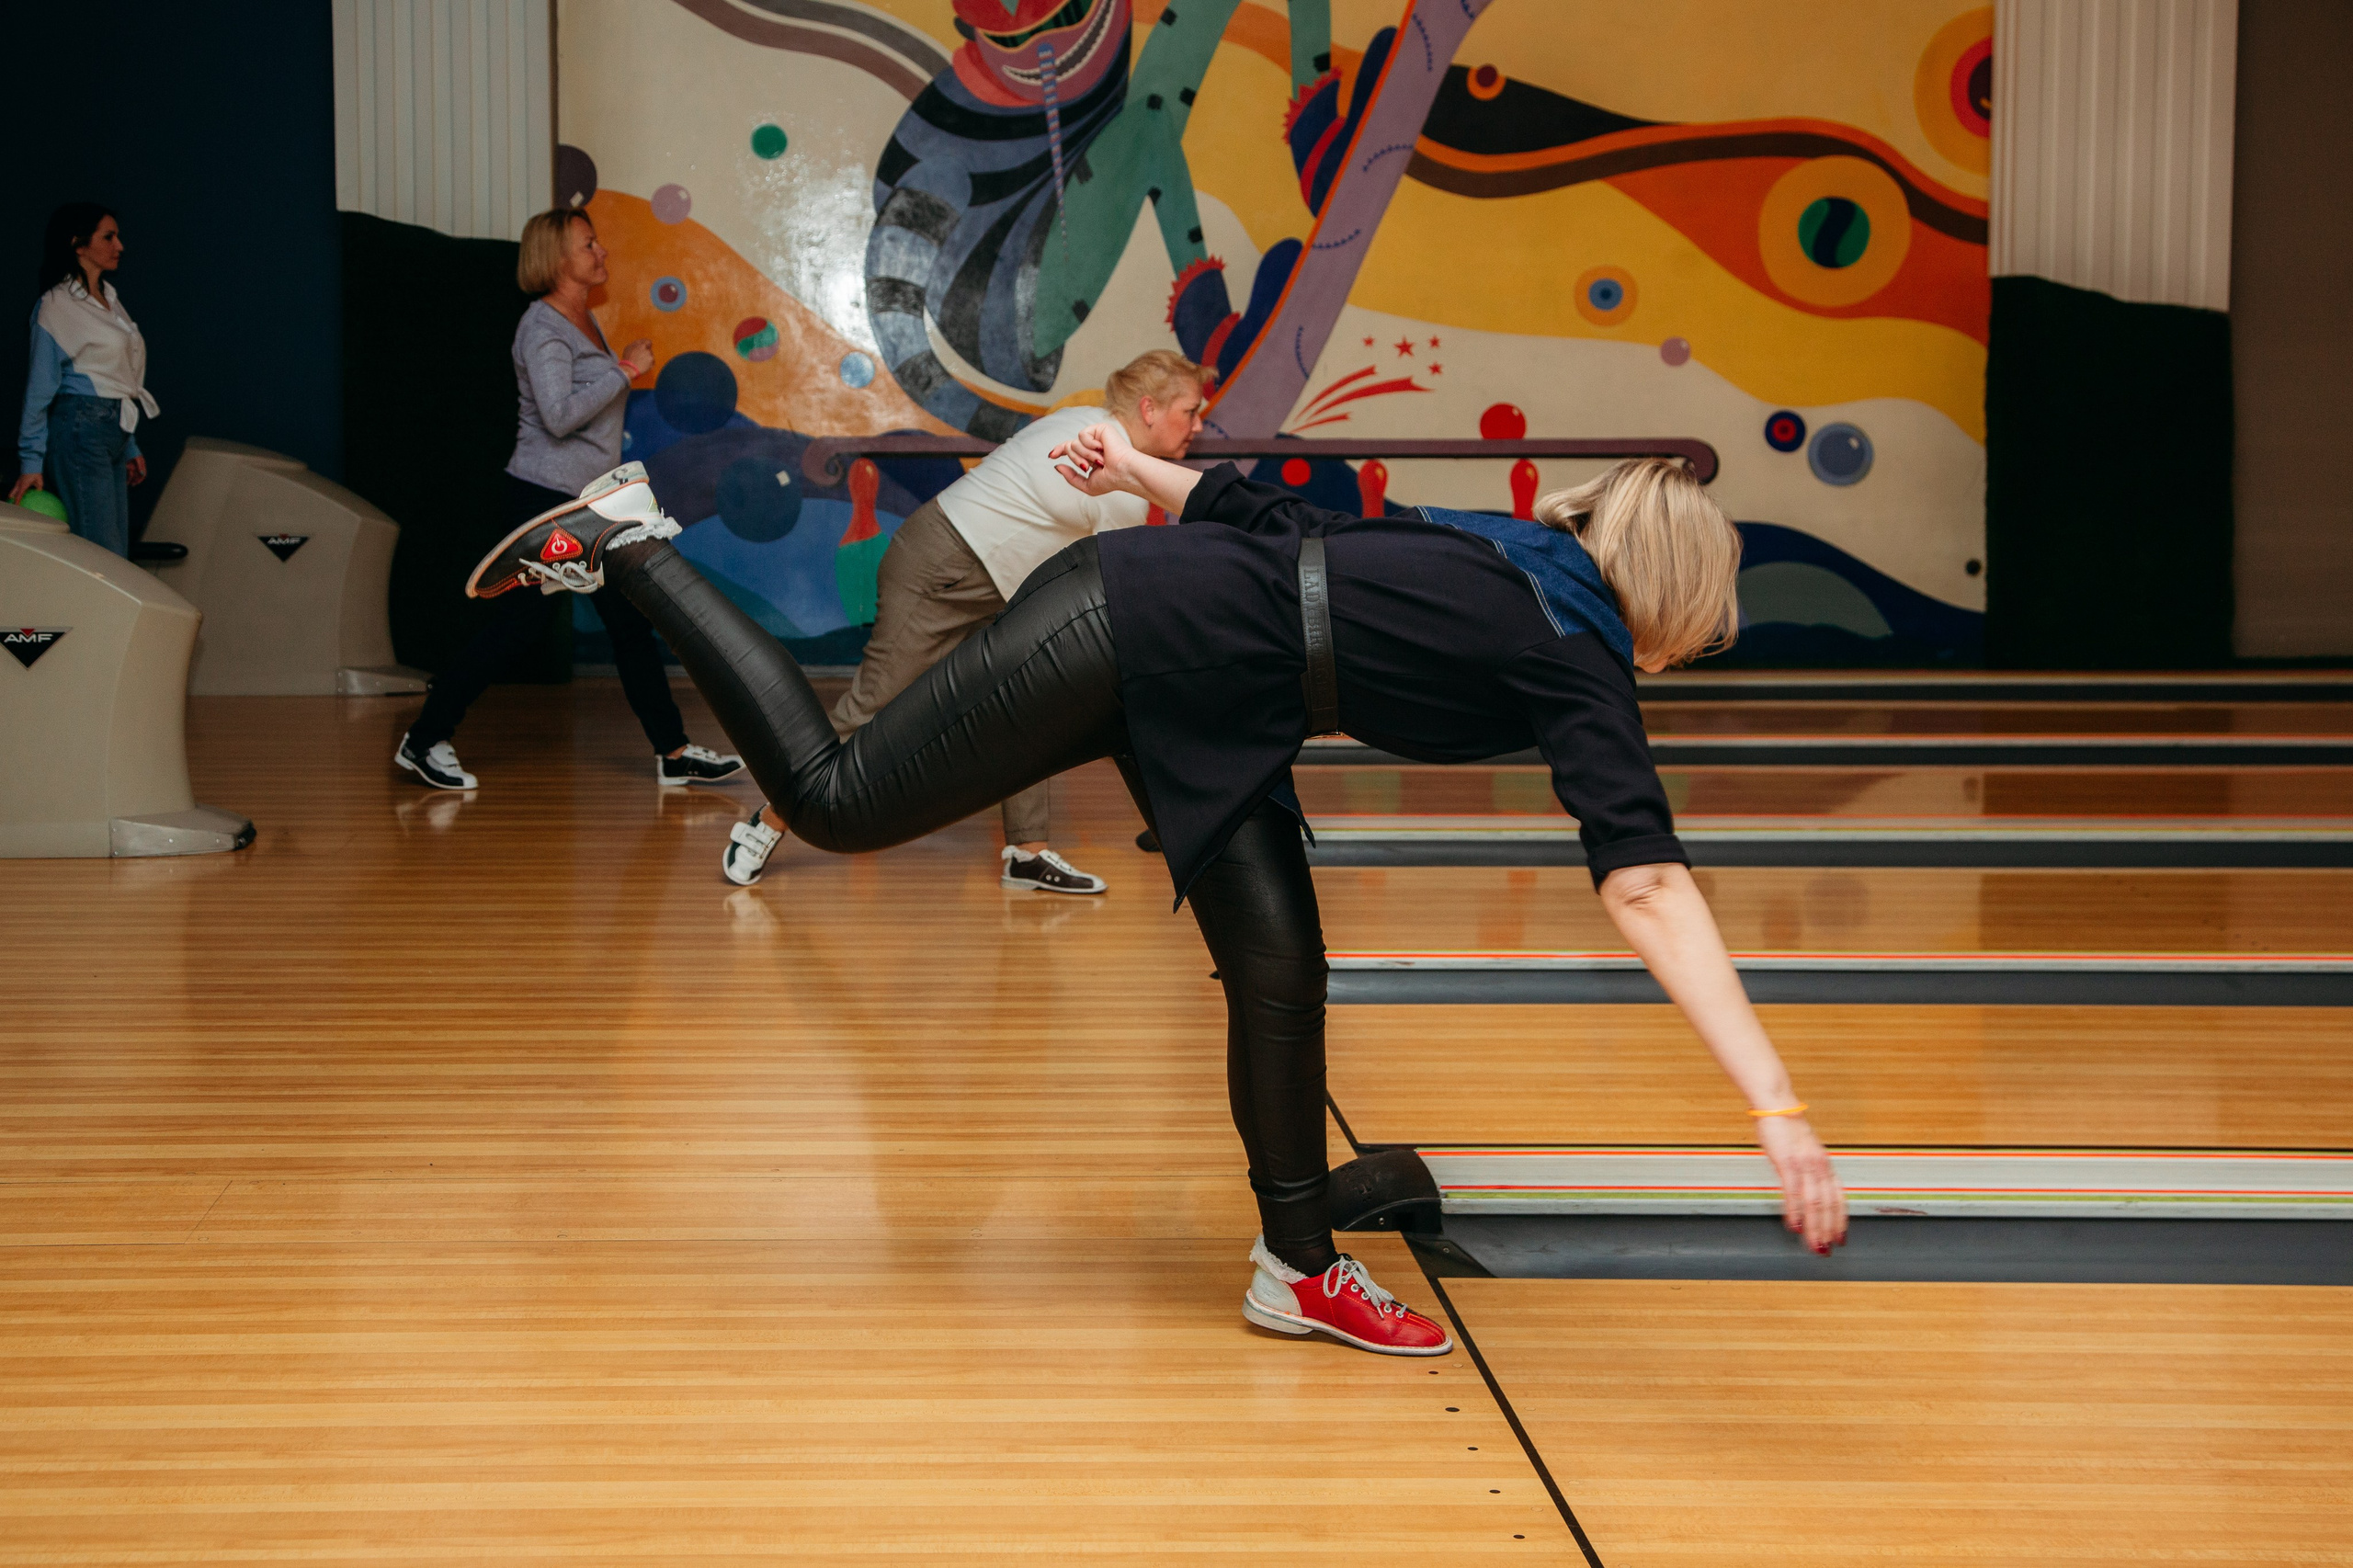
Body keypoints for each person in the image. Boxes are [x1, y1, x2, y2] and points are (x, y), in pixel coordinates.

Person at [459, 433, 1848, 1357]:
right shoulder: (1574, 648)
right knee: (834, 796)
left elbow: (1289, 522)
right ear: (1672, 600)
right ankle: (631, 543)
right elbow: (1649, 879)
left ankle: (1295, 1255)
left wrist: (1135, 460)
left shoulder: (1512, 555)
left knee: (1279, 961)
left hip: (1201, 676)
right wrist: (1776, 1104)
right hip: (1141, 638)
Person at [719, 349, 1211, 893]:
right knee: (875, 708)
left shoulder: (1098, 439)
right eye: (1189, 411)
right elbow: (1130, 580)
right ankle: (767, 821)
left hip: (994, 586)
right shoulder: (1098, 449)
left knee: (1034, 705)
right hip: (942, 567)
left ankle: (1027, 853)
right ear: (1148, 408)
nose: (1198, 424)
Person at [392, 207, 744, 792]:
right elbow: (557, 418)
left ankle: (674, 751)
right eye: (588, 244)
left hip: (591, 503)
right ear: (557, 260)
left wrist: (614, 368)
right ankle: (424, 739)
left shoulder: (580, 319)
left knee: (630, 624)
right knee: (518, 626)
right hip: (546, 499)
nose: (601, 251)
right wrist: (625, 369)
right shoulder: (542, 327)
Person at [13, 205, 156, 557]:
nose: (119, 246)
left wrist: (130, 443)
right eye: (108, 237)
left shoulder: (109, 299)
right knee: (101, 554)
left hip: (111, 429)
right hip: (81, 429)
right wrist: (31, 462)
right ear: (78, 244)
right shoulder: (56, 305)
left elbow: (114, 374)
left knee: (115, 552)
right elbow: (40, 390)